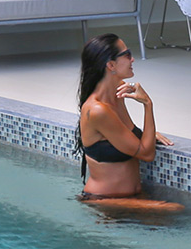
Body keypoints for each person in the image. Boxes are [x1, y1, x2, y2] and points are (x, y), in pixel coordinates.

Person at [76, 33, 181, 211]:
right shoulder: (98, 110)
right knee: (175, 209)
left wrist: (148, 134)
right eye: (127, 54)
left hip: (129, 197)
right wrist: (147, 104)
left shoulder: (118, 92)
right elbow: (146, 154)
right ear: (110, 65)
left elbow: (125, 137)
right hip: (104, 201)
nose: (132, 59)